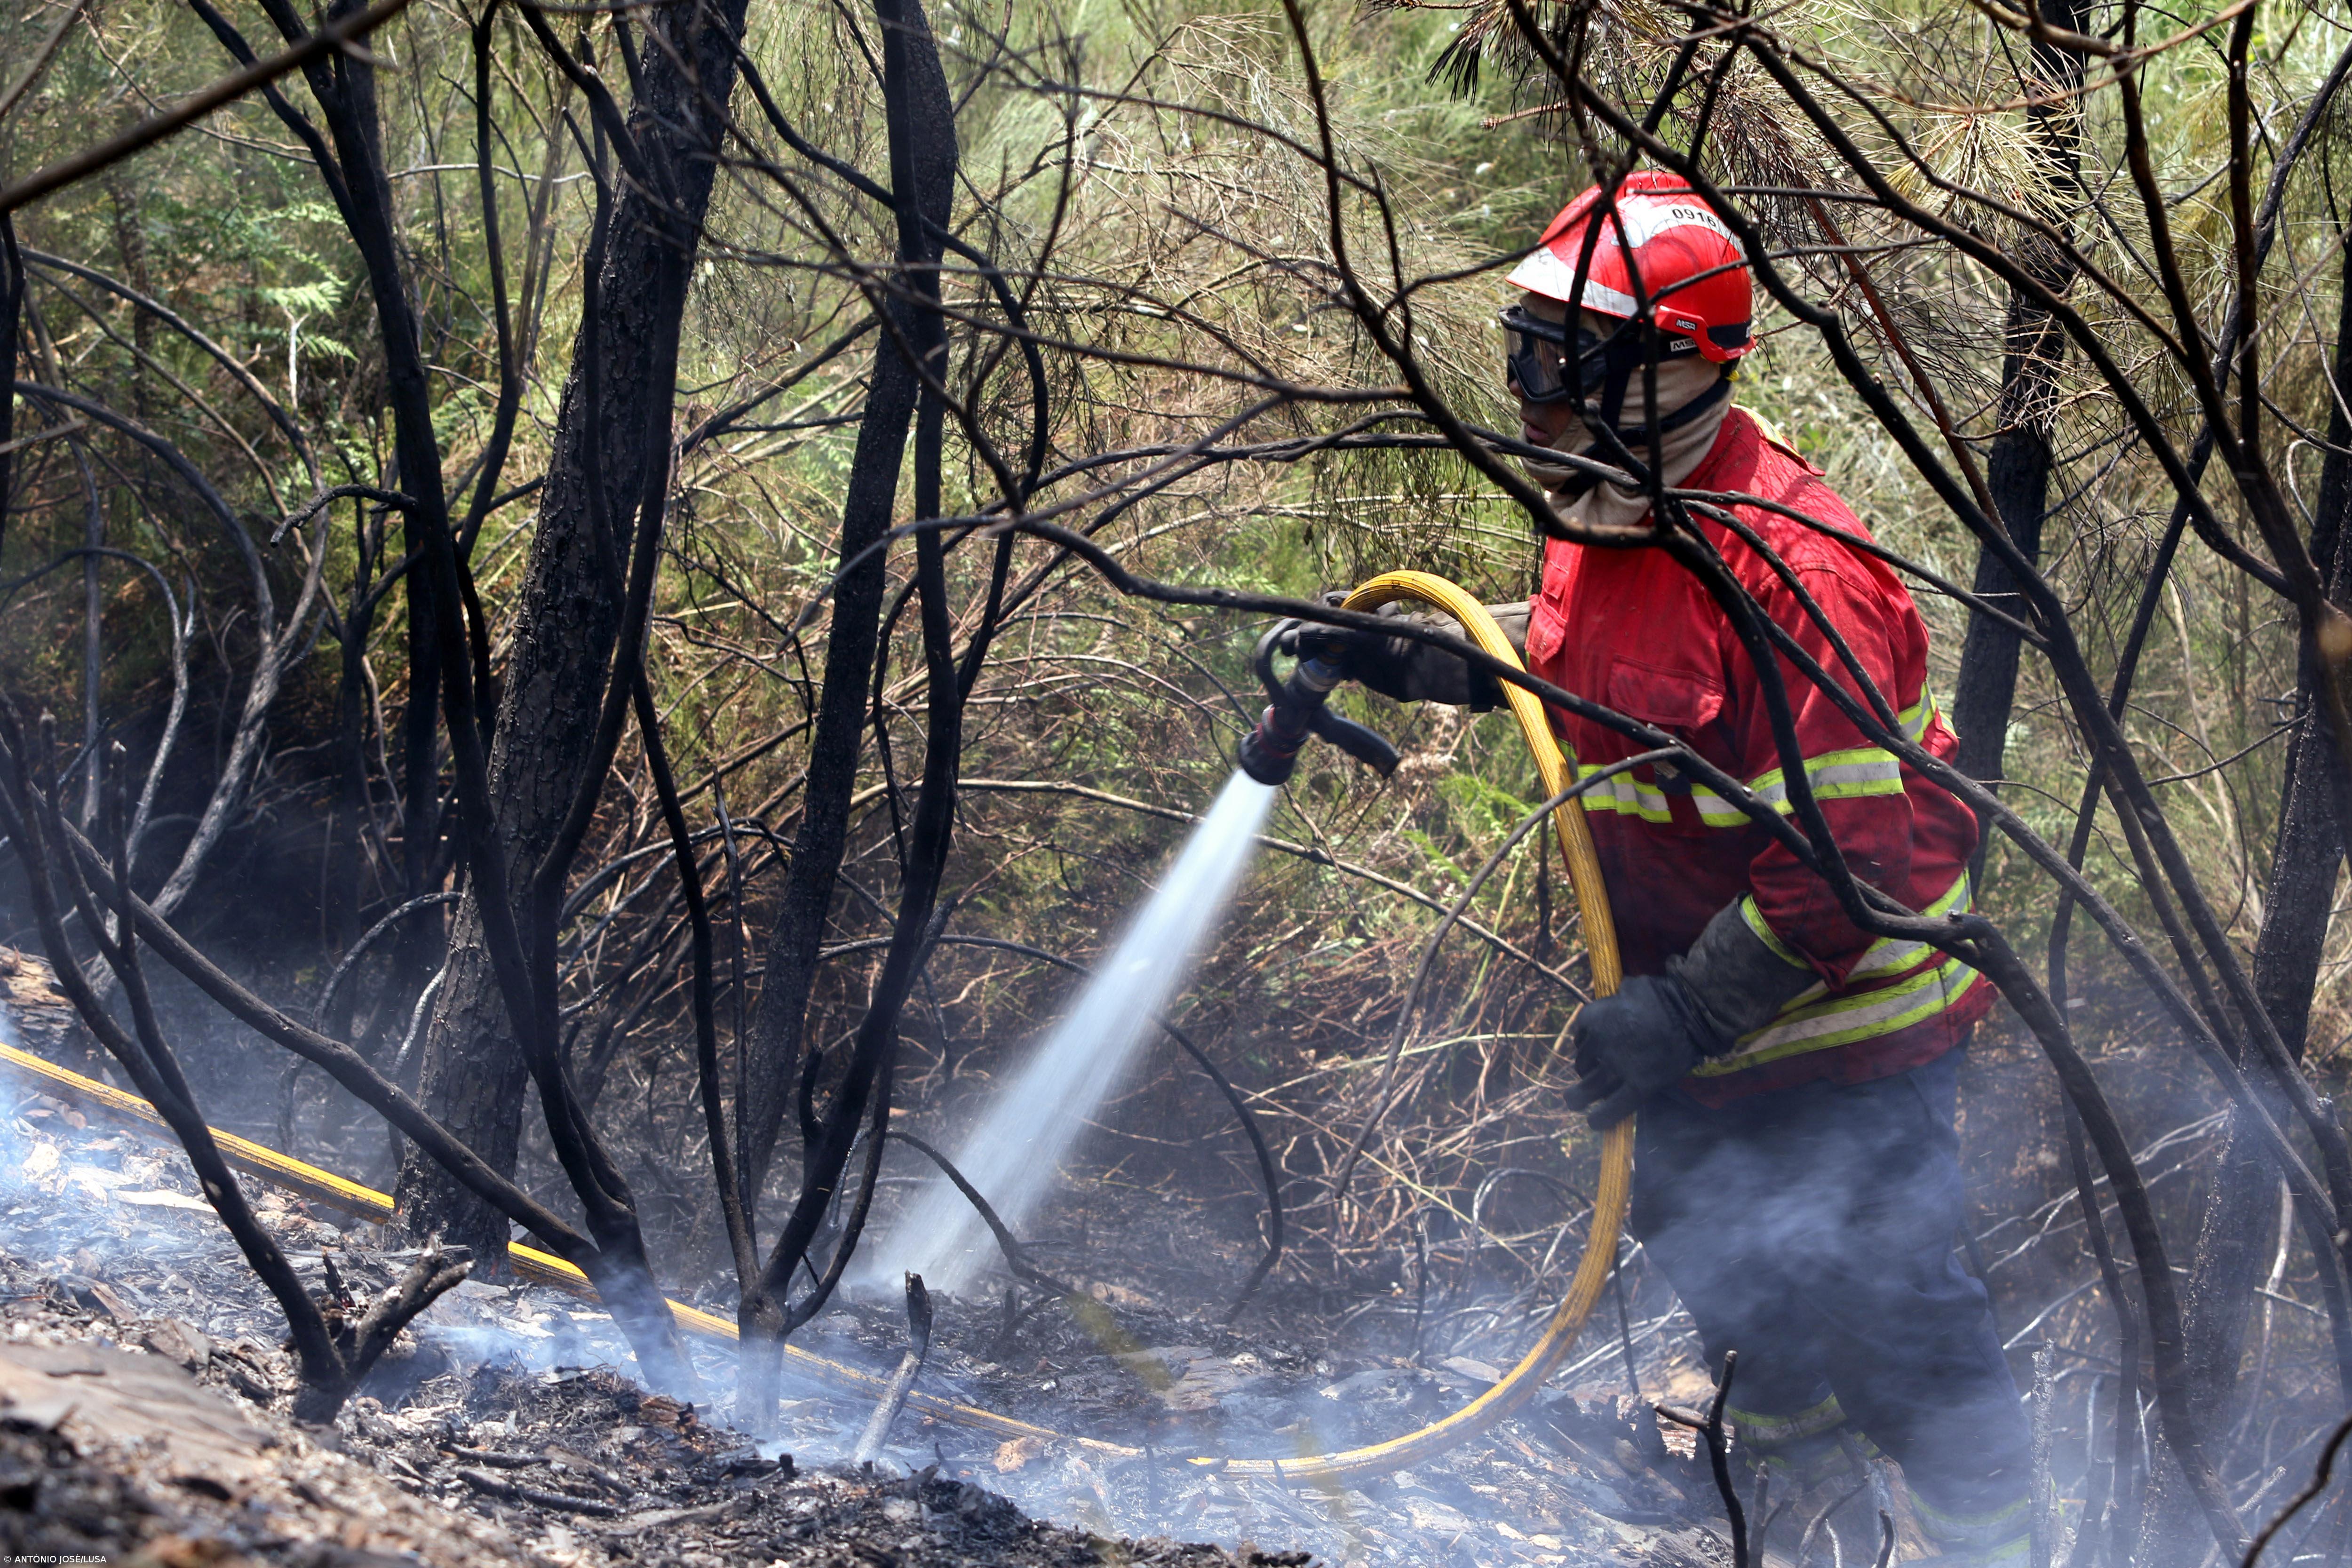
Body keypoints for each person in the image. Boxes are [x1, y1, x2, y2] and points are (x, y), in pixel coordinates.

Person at [1325, 171, 2030, 1566]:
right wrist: (1438, 666)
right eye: (1528, 353)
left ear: (1673, 372)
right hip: (1703, 1039)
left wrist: (1684, 1013)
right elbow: (1603, 669)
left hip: (1850, 1046)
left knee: (1904, 1343)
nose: (1536, 393)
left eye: (1567, 360)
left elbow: (1843, 869)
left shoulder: (1786, 570)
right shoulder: (1611, 506)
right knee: (1750, 1322)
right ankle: (1807, 1541)